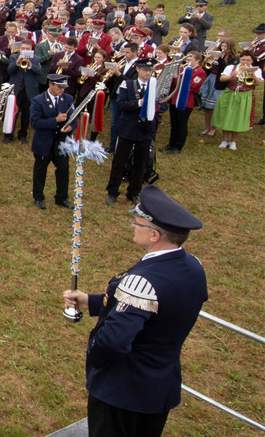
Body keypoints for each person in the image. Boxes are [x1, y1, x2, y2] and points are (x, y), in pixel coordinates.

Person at [62, 185, 207, 437]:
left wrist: (95, 358)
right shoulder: (194, 267)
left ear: (154, 235)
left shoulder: (142, 281)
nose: (132, 226)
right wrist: (92, 301)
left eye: (137, 222)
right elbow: (160, 308)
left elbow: (112, 342)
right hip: (160, 386)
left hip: (122, 391)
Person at [105, 60, 158, 205]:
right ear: (139, 70)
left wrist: (154, 107)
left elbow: (162, 104)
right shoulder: (127, 85)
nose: (148, 73)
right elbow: (120, 104)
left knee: (140, 163)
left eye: (150, 70)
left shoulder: (154, 86)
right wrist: (138, 103)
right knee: (119, 161)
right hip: (128, 127)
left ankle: (134, 192)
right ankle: (112, 192)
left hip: (145, 129)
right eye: (145, 70)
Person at [31, 74, 75, 210]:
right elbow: (35, 122)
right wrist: (55, 120)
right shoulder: (38, 101)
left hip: (61, 143)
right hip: (44, 142)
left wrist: (71, 127)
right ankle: (38, 197)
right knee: (40, 170)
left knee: (63, 169)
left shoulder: (68, 99)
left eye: (64, 87)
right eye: (60, 87)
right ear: (51, 85)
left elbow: (74, 117)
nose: (62, 90)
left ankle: (61, 197)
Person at [211, 50, 262, 150]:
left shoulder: (256, 70)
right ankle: (224, 140)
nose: (245, 62)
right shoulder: (231, 67)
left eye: (248, 60)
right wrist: (232, 75)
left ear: (252, 60)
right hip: (230, 94)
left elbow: (258, 83)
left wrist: (252, 74)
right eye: (243, 59)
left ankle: (233, 141)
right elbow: (222, 79)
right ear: (240, 59)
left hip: (245, 96)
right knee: (227, 117)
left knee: (238, 119)